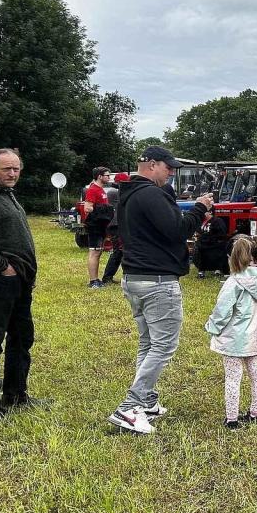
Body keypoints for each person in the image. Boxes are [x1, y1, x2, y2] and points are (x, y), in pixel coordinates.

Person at [106, 146, 213, 434]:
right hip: (157, 281)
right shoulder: (150, 193)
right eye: (168, 168)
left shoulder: (127, 192)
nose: (171, 173)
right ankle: (129, 407)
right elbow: (177, 230)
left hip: (135, 277)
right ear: (152, 165)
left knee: (148, 343)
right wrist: (201, 208)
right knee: (163, 346)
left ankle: (148, 403)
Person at [0, 148, 39, 420]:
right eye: (6, 168)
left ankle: (16, 395)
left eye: (16, 168)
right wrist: (3, 267)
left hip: (19, 281)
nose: (13, 173)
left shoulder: (7, 193)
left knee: (22, 338)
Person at [205, 236, 257, 429]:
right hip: (255, 338)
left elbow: (222, 310)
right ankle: (255, 414)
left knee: (233, 379)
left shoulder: (234, 282)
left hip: (234, 340)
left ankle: (232, 419)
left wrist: (212, 327)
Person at [84, 166, 113, 288]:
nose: (109, 177)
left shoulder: (101, 189)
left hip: (101, 224)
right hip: (95, 225)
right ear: (100, 176)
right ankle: (93, 281)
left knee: (99, 251)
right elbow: (87, 207)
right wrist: (103, 209)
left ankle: (97, 279)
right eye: (107, 175)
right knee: (94, 252)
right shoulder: (93, 189)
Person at [100, 173, 131, 286]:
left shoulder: (115, 191)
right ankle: (107, 277)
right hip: (116, 225)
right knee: (118, 251)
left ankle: (109, 276)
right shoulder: (115, 192)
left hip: (117, 225)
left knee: (119, 252)